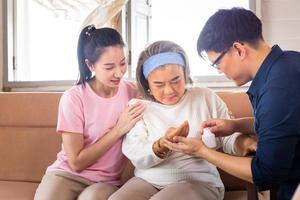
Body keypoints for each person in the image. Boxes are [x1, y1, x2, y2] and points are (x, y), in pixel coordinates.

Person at [164, 7, 300, 200]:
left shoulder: (277, 89)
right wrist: (235, 125)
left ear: (238, 49)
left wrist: (202, 151)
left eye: (217, 63)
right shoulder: (290, 62)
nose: (219, 71)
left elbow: (266, 174)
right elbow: (286, 125)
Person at [108, 40, 256, 200]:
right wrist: (161, 145)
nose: (169, 90)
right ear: (147, 83)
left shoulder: (204, 97)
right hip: (147, 180)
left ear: (185, 73)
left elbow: (228, 137)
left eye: (176, 80)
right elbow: (136, 153)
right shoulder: (138, 107)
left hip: (198, 182)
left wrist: (246, 144)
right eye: (159, 84)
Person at [34, 25, 145, 200]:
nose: (119, 73)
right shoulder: (73, 98)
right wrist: (118, 129)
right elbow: (76, 163)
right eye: (109, 67)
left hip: (106, 182)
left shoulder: (132, 93)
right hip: (66, 175)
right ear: (90, 64)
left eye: (123, 63)